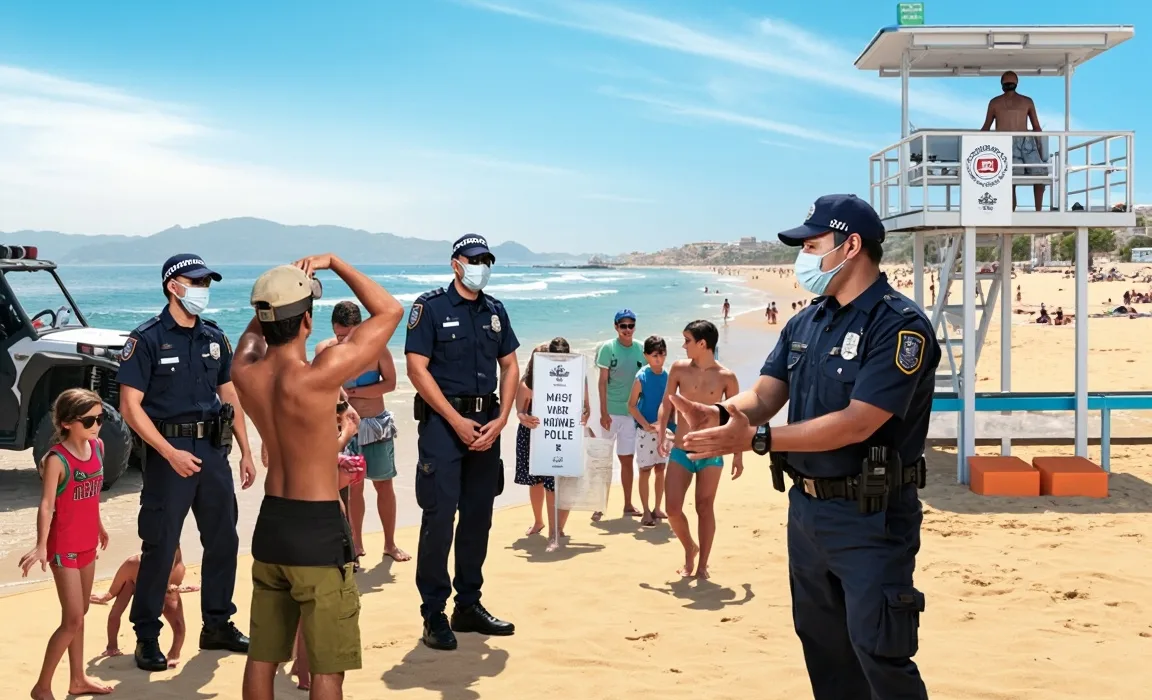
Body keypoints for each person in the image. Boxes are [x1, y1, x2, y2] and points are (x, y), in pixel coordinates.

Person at [672, 194, 939, 700]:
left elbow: (857, 423)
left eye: (813, 245)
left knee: (879, 652)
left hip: (872, 518)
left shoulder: (898, 325)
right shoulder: (807, 321)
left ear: (851, 246)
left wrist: (758, 439)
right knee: (824, 648)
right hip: (808, 513)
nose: (804, 258)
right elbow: (766, 394)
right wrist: (723, 414)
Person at [232, 254, 403, 700]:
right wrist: (335, 263)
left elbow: (257, 331)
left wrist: (277, 291)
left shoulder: (244, 372)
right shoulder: (320, 377)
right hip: (317, 530)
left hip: (272, 525)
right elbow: (389, 311)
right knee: (328, 666)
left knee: (262, 658)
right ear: (308, 321)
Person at [116, 253, 256, 671]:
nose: (202, 290)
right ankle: (146, 636)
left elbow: (229, 395)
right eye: (195, 282)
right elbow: (130, 406)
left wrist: (246, 450)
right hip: (169, 454)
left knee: (224, 540)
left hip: (213, 451)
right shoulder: (146, 339)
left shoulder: (214, 336)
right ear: (172, 287)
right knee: (160, 547)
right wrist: (168, 452)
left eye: (206, 283)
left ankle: (217, 624)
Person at [405, 233, 520, 651]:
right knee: (439, 518)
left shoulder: (495, 311)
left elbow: (510, 366)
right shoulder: (430, 308)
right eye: (473, 260)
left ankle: (468, 605)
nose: (480, 267)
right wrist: (454, 420)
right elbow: (416, 368)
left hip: (487, 424)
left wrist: (502, 419)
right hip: (443, 426)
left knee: (478, 517)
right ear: (456, 264)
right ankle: (434, 613)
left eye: (486, 260)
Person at [18, 388, 112, 699]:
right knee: (72, 620)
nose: (97, 425)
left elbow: (92, 495)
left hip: (87, 543)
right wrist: (41, 545)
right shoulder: (57, 460)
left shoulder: (97, 447)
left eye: (100, 418)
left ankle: (78, 679)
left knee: (81, 613)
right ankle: (42, 687)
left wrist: (99, 526)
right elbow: (47, 505)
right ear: (67, 423)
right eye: (89, 420)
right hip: (64, 547)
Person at [315, 300, 408, 564]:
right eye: (338, 334)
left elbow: (390, 383)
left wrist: (353, 392)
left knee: (384, 484)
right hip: (343, 429)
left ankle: (390, 544)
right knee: (352, 489)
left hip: (375, 425)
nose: (342, 340)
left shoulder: (376, 349)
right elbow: (317, 385)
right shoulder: (325, 350)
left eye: (347, 334)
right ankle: (356, 545)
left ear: (360, 327)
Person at [655, 322, 742, 579]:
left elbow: (736, 417)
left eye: (688, 340)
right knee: (672, 509)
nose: (684, 346)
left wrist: (737, 455)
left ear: (702, 344)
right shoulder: (679, 369)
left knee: (704, 507)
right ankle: (689, 548)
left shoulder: (727, 377)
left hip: (711, 452)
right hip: (681, 449)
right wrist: (661, 432)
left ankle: (702, 564)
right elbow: (666, 404)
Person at [515, 338, 590, 551]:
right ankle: (540, 522)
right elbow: (519, 411)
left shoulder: (576, 376)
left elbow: (586, 407)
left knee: (558, 484)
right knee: (535, 481)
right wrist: (524, 418)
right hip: (534, 434)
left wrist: (585, 415)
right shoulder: (528, 382)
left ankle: (556, 531)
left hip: (563, 434)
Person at [91, 548, 198, 668]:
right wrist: (106, 596)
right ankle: (111, 646)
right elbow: (114, 608)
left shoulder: (177, 567)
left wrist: (179, 588)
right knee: (115, 610)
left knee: (178, 623)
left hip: (163, 584)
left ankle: (175, 653)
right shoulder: (133, 564)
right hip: (135, 580)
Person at [593, 309, 647, 521]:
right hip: (610, 414)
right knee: (604, 460)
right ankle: (599, 506)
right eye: (623, 325)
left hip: (631, 415)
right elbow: (602, 382)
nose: (627, 329)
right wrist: (603, 412)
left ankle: (628, 505)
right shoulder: (608, 348)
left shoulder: (641, 349)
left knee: (627, 460)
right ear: (616, 326)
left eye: (631, 325)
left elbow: (647, 380)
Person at [981, 70, 1047, 212]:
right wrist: (1041, 149)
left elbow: (985, 128)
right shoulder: (1026, 101)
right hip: (1015, 143)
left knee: (1024, 178)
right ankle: (1035, 211)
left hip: (1012, 143)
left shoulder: (996, 102)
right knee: (1019, 177)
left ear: (1002, 85)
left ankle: (1029, 212)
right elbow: (1037, 128)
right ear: (1016, 84)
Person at [626, 335, 671, 527]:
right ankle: (645, 510)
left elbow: (671, 403)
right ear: (646, 355)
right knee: (645, 470)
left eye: (662, 354)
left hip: (664, 430)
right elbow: (631, 405)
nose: (658, 359)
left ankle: (657, 507)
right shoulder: (641, 377)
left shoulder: (669, 376)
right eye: (654, 355)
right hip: (646, 431)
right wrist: (645, 424)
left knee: (661, 469)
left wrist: (671, 426)